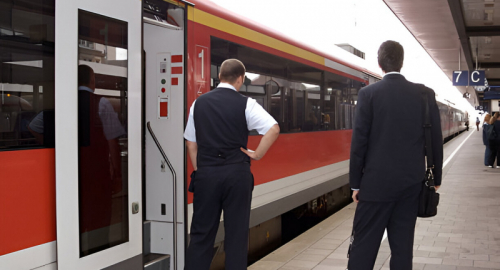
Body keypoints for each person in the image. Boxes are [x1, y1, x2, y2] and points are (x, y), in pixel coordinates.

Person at [348, 41, 443, 270]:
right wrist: (436, 178)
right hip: (411, 185)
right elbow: (435, 140)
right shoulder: (423, 94)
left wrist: (355, 184)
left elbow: (359, 142)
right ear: (402, 62)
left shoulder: (368, 94)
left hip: (374, 186)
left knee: (363, 247)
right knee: (402, 250)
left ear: (379, 63)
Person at [184, 59, 280, 270]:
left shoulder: (198, 104)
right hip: (237, 174)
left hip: (207, 174)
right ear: (240, 79)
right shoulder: (246, 103)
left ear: (220, 77)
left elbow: (191, 143)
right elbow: (273, 128)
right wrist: (257, 155)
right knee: (236, 236)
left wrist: (201, 170)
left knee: (201, 235)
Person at [77, 65, 127, 255]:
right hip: (97, 173)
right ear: (93, 80)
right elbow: (112, 141)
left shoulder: (64, 101)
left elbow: (35, 126)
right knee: (100, 216)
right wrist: (117, 174)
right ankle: (97, 253)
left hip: (74, 172)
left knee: (80, 215)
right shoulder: (101, 103)